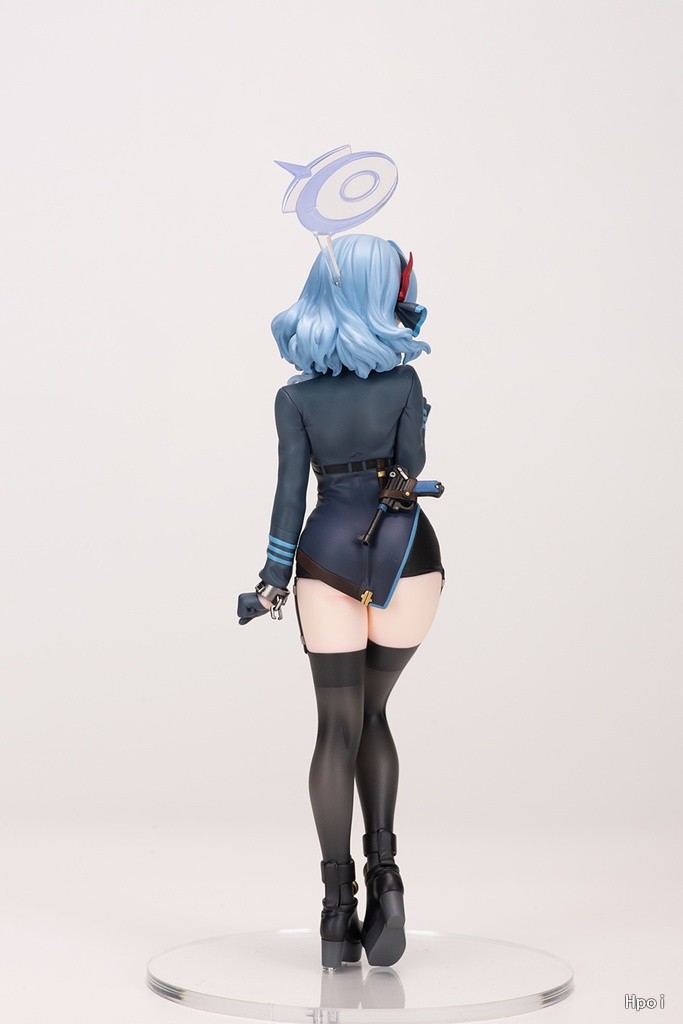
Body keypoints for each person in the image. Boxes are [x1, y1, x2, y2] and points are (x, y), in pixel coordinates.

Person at [238, 233, 444, 971]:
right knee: (375, 716)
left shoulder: (294, 398)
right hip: (406, 558)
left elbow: (289, 497)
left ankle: (336, 909)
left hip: (325, 561)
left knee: (336, 727)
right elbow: (411, 467)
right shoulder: (404, 385)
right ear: (382, 294)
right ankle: (387, 876)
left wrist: (271, 580)